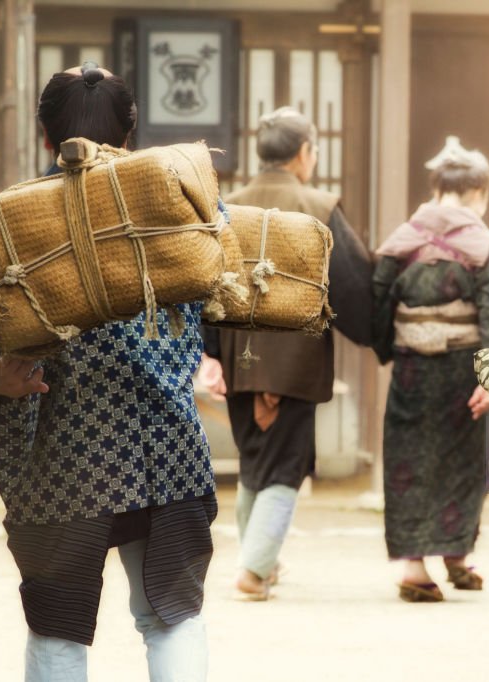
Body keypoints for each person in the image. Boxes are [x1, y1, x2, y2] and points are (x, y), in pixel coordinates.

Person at [0, 63, 218, 682]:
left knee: (58, 627)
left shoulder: (11, 223)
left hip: (61, 457)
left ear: (46, 136)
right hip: (166, 448)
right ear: (130, 130)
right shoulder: (175, 202)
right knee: (171, 618)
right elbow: (225, 289)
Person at [199, 106, 373, 600]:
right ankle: (254, 570)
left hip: (238, 353)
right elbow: (354, 283)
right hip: (296, 356)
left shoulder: (227, 205)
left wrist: (210, 354)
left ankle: (262, 562)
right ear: (304, 154)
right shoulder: (319, 205)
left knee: (256, 460)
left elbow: (205, 281)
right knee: (283, 466)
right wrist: (377, 333)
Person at [371, 139, 489, 602]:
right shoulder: (487, 247)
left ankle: (417, 565)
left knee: (408, 462)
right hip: (466, 370)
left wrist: (392, 349)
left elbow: (377, 304)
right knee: (464, 464)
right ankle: (455, 553)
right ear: (479, 194)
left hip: (412, 369)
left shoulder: (399, 242)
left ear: (436, 191)